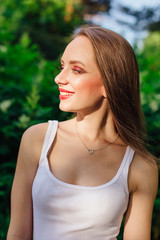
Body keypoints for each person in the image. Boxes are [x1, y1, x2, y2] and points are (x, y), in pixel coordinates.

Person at [7, 25, 158, 240]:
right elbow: (18, 234)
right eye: (61, 67)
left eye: (76, 70)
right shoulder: (37, 139)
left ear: (109, 83)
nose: (59, 78)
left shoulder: (141, 166)